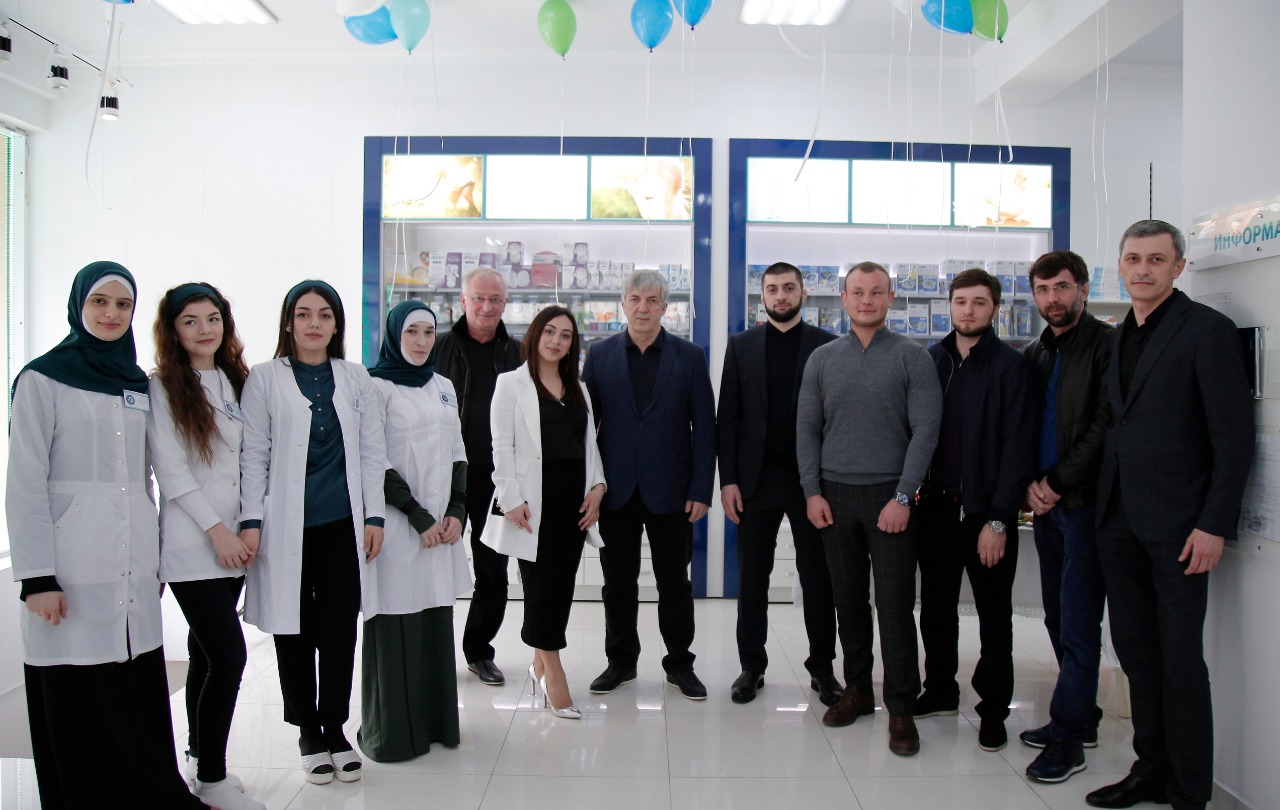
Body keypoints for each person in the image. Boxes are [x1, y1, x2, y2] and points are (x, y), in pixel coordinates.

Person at [7, 262, 205, 809]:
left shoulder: (136, 383)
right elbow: (24, 483)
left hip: (131, 564)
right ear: (79, 306)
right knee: (79, 693)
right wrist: (37, 577)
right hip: (68, 566)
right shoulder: (41, 380)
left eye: (123, 304)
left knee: (132, 688)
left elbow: (146, 477)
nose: (112, 314)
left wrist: (153, 558)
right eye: (100, 301)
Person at [1086, 221, 1254, 810]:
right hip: (1118, 519)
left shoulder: (1207, 331)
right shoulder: (1119, 335)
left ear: (1179, 267)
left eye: (1156, 259)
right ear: (1120, 265)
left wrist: (1215, 523)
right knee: (1136, 652)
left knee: (1180, 660)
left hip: (1182, 527)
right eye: (1133, 258)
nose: (1142, 269)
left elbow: (1233, 437)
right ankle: (1150, 769)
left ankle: (1188, 791)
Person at [238, 280, 387, 785]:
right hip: (286, 529)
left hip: (342, 525)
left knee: (339, 631)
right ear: (288, 322)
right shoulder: (264, 379)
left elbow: (372, 450)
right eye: (303, 314)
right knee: (294, 629)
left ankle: (336, 728)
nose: (314, 323)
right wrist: (251, 521)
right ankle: (307, 730)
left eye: (325, 314)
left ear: (336, 324)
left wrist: (374, 516)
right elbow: (254, 455)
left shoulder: (354, 376)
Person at [796, 261, 942, 756]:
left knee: (895, 606)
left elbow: (926, 431)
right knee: (849, 601)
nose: (866, 300)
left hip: (890, 499)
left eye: (876, 292)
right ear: (843, 298)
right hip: (834, 497)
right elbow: (807, 429)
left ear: (890, 297)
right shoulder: (822, 359)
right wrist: (812, 491)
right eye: (857, 292)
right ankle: (858, 688)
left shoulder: (911, 357)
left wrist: (904, 496)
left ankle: (901, 706)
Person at [148, 282, 265, 810]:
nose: (204, 329)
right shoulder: (162, 387)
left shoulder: (237, 380)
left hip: (236, 544)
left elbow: (251, 461)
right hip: (192, 546)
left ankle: (200, 760)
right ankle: (213, 780)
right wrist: (217, 532)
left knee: (203, 653)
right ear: (173, 331)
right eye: (190, 321)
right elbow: (172, 472)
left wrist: (247, 528)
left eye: (212, 318)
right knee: (229, 656)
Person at [915, 268, 1036, 753]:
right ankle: (940, 689)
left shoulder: (1011, 367)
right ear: (949, 306)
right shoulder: (932, 361)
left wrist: (1000, 519)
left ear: (996, 309)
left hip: (987, 514)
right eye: (961, 301)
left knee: (994, 616)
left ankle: (993, 710)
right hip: (936, 510)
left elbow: (1019, 449)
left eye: (979, 302)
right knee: (936, 609)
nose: (968, 310)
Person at [582, 269, 716, 701]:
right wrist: (592, 485)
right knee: (617, 583)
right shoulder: (599, 355)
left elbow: (705, 428)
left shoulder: (689, 357)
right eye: (635, 299)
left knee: (674, 583)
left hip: (673, 492)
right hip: (616, 492)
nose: (643, 308)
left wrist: (701, 489)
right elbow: (585, 429)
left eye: (652, 300)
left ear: (665, 307)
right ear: (623, 304)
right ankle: (621, 662)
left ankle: (680, 663)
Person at [718, 261, 842, 706]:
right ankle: (751, 666)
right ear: (763, 296)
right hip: (754, 481)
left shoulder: (827, 345)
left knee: (817, 577)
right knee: (753, 577)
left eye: (789, 288)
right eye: (772, 289)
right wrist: (728, 481)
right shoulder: (742, 346)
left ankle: (822, 668)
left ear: (803, 294)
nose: (781, 296)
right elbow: (728, 418)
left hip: (811, 481)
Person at [482, 305, 607, 719]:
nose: (556, 341)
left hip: (574, 503)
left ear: (573, 344)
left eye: (565, 335)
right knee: (541, 588)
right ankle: (554, 673)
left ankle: (538, 663)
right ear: (535, 335)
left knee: (560, 587)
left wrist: (598, 488)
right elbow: (501, 446)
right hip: (533, 505)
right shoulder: (511, 384)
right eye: (550, 332)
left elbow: (590, 446)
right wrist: (510, 499)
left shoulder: (578, 387)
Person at [359, 300, 470, 761]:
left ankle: (435, 724)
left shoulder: (442, 386)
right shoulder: (374, 386)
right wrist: (418, 516)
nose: (422, 341)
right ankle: (392, 734)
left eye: (428, 332)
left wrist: (458, 510)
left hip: (441, 529)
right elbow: (373, 459)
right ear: (393, 335)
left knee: (433, 621)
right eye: (412, 332)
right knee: (395, 620)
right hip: (398, 527)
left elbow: (458, 451)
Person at [1019, 250, 1113, 783]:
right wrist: (1029, 486)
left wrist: (1055, 483)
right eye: (1043, 289)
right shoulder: (1037, 351)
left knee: (1078, 622)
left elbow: (1105, 425)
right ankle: (1084, 715)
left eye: (1061, 287)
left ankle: (1068, 739)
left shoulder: (1108, 346)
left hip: (1084, 505)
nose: (1052, 299)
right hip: (1045, 508)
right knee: (1055, 615)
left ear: (1082, 288)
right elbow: (1027, 424)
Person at [435, 266, 524, 687]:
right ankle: (432, 653)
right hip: (444, 477)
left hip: (498, 481)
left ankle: (478, 651)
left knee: (492, 571)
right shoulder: (437, 348)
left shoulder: (519, 354)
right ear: (463, 300)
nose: (487, 307)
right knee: (434, 564)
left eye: (495, 300)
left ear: (505, 304)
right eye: (479, 298)